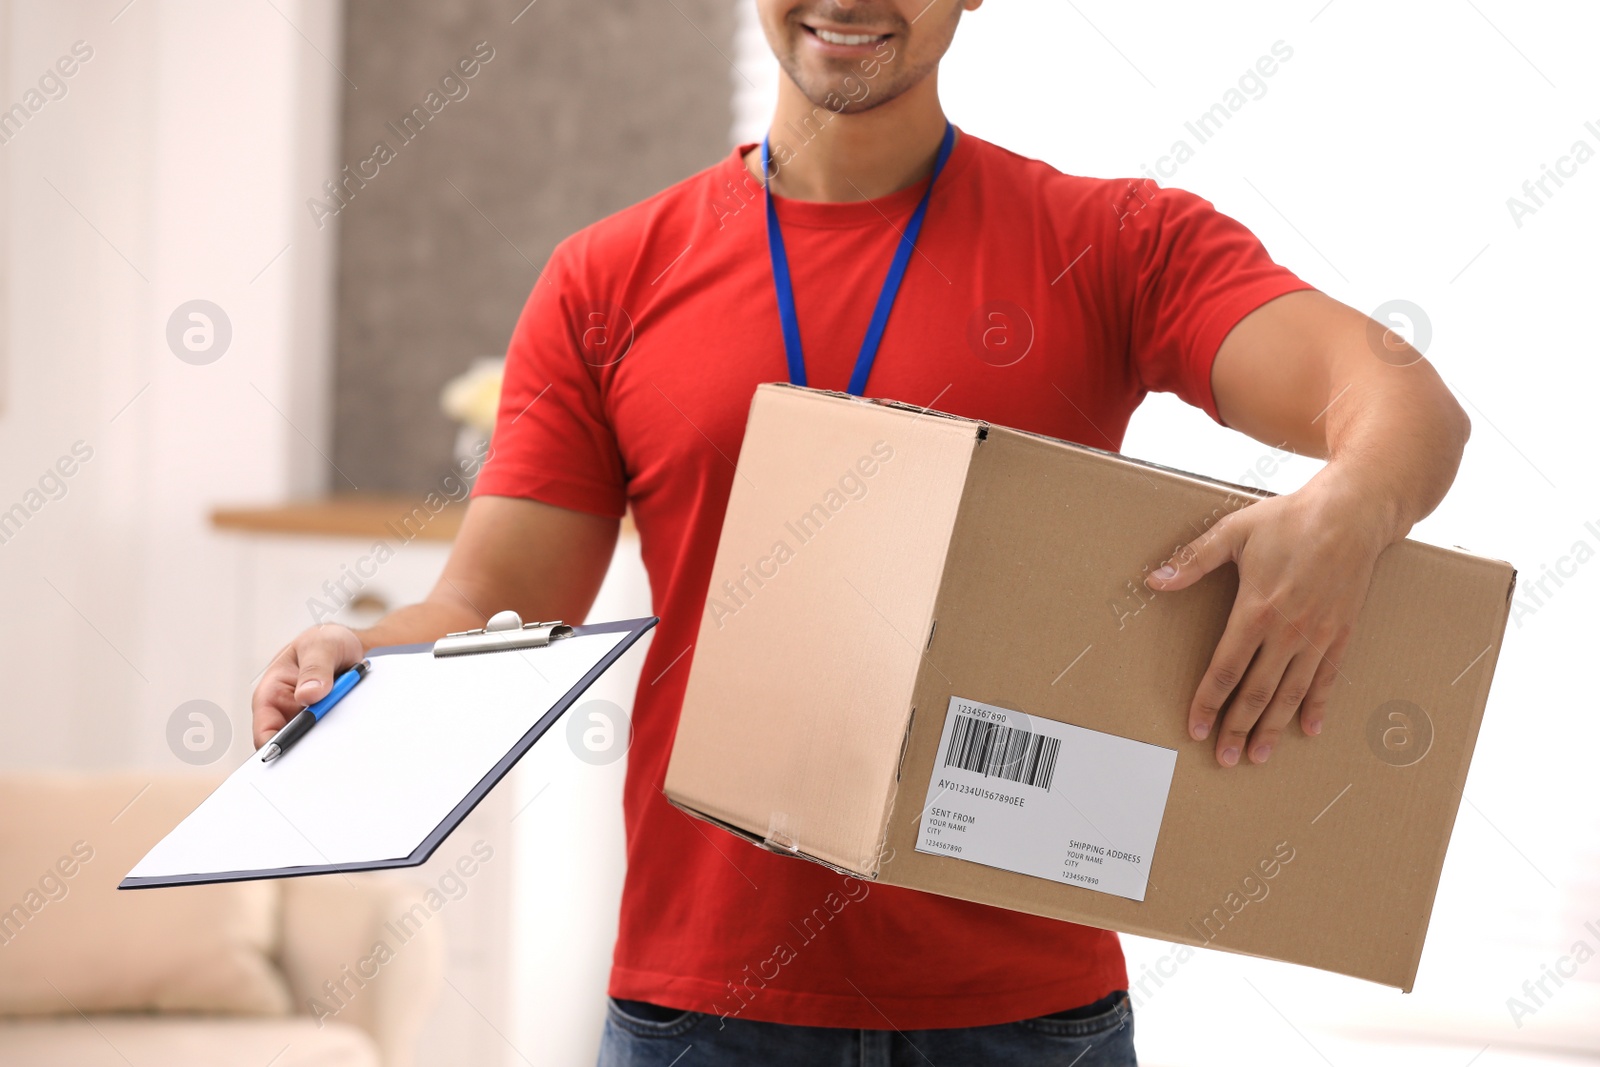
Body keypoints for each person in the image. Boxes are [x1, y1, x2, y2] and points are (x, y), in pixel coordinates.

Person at [252, 1, 1470, 1063]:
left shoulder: (1110, 242)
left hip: (1030, 1016)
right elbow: (492, 605)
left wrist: (1346, 515)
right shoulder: (607, 279)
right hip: (704, 1009)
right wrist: (375, 660)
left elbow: (1399, 400)